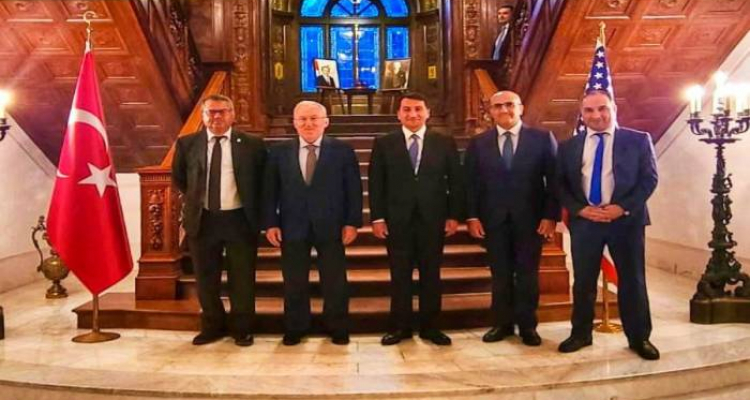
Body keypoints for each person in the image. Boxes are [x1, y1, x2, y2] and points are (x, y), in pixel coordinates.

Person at [556, 89, 660, 360]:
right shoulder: (569, 146)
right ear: (582, 114)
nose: (596, 115)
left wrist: (621, 208)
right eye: (589, 110)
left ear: (614, 109)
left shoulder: (638, 140)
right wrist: (580, 210)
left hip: (626, 222)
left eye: (602, 108)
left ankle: (639, 338)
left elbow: (649, 180)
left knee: (632, 281)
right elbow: (560, 185)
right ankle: (580, 334)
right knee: (584, 282)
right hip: (586, 222)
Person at [262, 101, 362, 346]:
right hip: (291, 225)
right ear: (294, 123)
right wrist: (271, 223)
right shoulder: (278, 152)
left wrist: (352, 222)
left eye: (314, 118)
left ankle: (337, 327)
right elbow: (269, 191)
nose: (308, 124)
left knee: (334, 280)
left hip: (332, 225)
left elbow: (354, 189)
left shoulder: (343, 151)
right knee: (294, 280)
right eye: (302, 119)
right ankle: (296, 327)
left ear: (326, 122)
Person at [464, 90, 559, 346]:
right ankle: (501, 324)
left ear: (521, 108)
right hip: (493, 221)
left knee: (527, 276)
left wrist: (550, 216)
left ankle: (528, 326)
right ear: (490, 111)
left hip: (531, 221)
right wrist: (472, 216)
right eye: (497, 106)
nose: (504, 110)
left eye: (509, 104)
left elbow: (554, 181)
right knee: (500, 275)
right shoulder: (478, 143)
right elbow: (470, 184)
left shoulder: (542, 139)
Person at [368, 92, 464, 346]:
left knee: (431, 275)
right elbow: (376, 183)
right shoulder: (384, 143)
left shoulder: (444, 142)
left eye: (418, 109)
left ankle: (431, 328)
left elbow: (456, 181)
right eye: (407, 109)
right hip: (396, 221)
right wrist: (377, 218)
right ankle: (400, 328)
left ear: (427, 113)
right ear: (398, 114)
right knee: (400, 276)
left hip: (433, 220)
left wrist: (454, 215)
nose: (413, 114)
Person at [172, 94, 266, 347]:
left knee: (242, 278)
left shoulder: (253, 144)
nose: (216, 116)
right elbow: (181, 179)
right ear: (203, 116)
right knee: (206, 278)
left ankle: (242, 329)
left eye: (222, 111)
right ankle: (212, 327)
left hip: (239, 220)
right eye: (210, 112)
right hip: (203, 220)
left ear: (233, 114)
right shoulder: (187, 144)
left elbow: (262, 181)